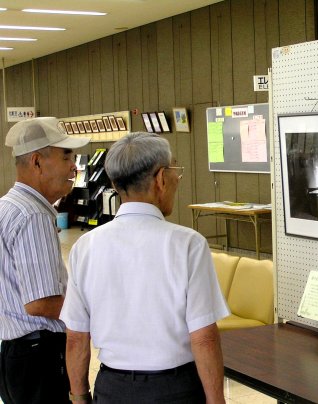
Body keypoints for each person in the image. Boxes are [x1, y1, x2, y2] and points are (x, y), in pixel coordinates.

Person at [60, 132, 230, 403]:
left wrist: (79, 396)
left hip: (112, 388)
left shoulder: (85, 247)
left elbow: (76, 337)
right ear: (161, 179)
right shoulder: (188, 244)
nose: (178, 179)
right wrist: (216, 400)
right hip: (175, 390)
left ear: (115, 183)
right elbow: (204, 338)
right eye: (176, 171)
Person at [0, 117, 90, 404]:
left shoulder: (7, 206)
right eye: (66, 156)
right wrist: (97, 311)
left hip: (15, 355)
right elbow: (40, 303)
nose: (73, 167)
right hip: (39, 357)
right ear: (37, 162)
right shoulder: (33, 215)